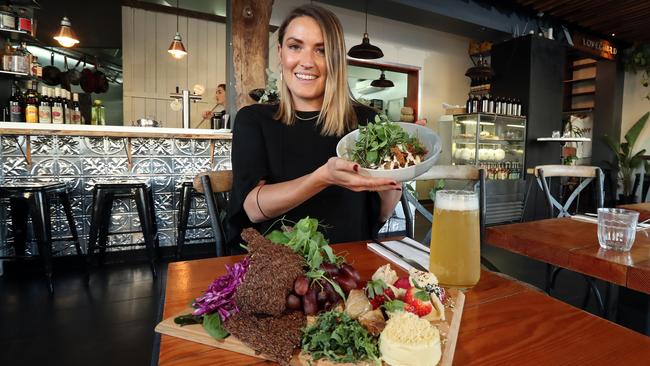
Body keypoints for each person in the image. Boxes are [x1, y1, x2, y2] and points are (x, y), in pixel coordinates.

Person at [226, 5, 402, 250]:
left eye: (321, 50)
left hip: (351, 265)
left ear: (336, 59)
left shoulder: (367, 121)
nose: (307, 62)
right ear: (280, 52)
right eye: (295, 46)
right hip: (276, 268)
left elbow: (381, 215)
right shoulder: (253, 120)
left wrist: (396, 177)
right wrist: (323, 178)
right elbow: (254, 210)